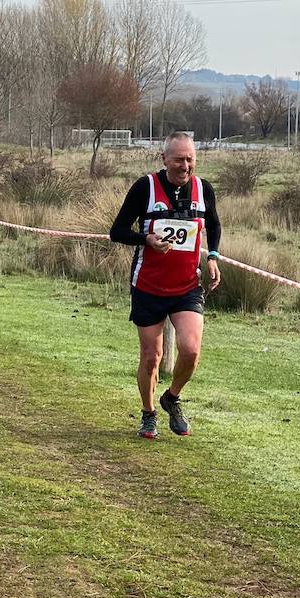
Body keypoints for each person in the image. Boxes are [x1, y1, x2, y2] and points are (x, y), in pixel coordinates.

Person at [110, 131, 222, 440]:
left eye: (190, 160)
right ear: (164, 160)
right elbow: (116, 231)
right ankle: (148, 414)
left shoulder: (203, 189)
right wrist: (145, 239)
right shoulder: (145, 187)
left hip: (187, 287)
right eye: (179, 160)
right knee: (151, 357)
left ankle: (171, 397)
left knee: (191, 350)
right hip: (148, 285)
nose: (185, 166)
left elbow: (213, 224)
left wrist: (211, 256)